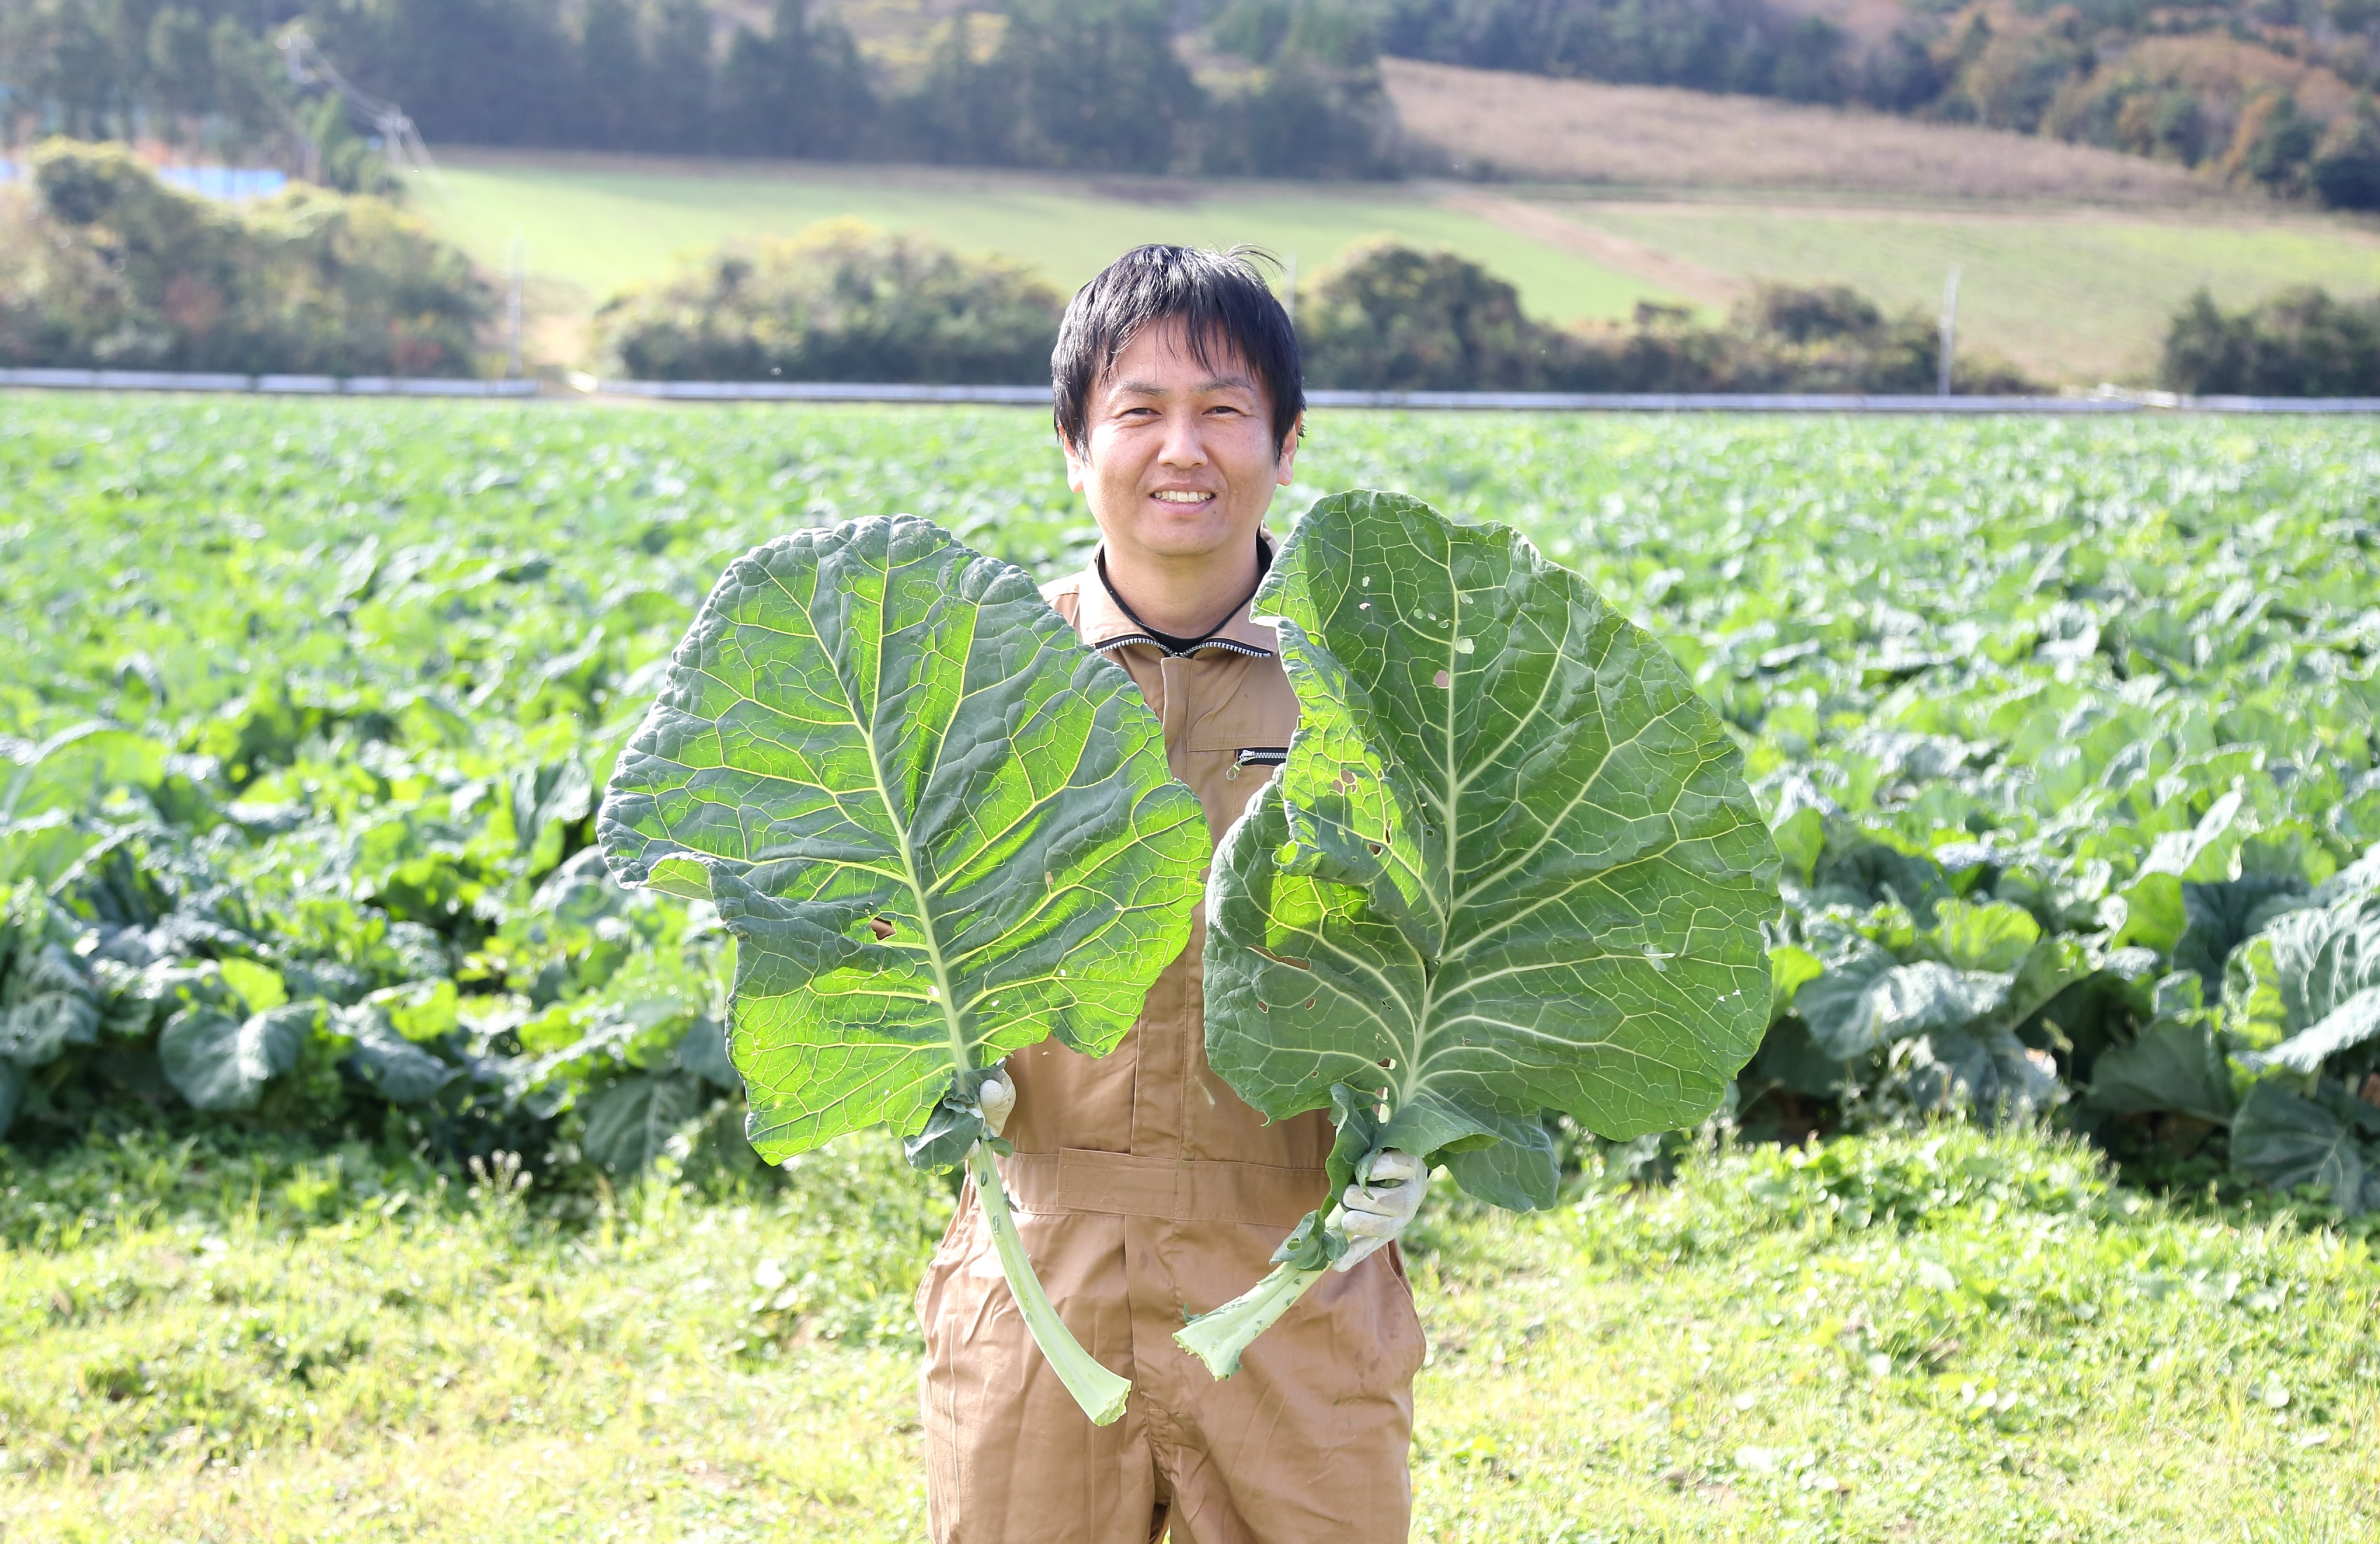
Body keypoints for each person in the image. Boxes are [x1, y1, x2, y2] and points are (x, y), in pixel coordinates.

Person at [914, 245, 1431, 1544]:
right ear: (1074, 446)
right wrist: (918, 1057)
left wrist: (1436, 1118)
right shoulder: (980, 683)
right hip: (1042, 1268)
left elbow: (1485, 933)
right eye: (1137, 410)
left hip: (1294, 1272)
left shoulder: (1375, 691)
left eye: (1222, 409)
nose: (1179, 448)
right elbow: (857, 923)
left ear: (1287, 441)